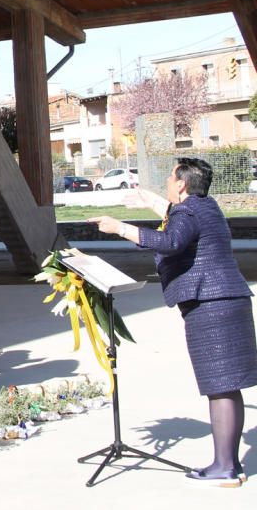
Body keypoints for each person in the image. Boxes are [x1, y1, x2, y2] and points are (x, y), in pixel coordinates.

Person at [89, 158, 257, 486]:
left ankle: (226, 465)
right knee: (225, 386)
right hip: (226, 301)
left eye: (170, 176)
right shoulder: (205, 207)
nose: (167, 179)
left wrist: (119, 228)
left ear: (181, 183)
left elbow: (171, 241)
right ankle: (227, 463)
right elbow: (177, 220)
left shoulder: (188, 211)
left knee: (220, 387)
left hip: (211, 305)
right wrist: (153, 201)